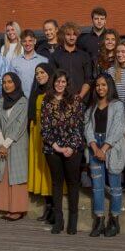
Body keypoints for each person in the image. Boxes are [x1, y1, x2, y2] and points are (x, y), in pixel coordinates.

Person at [41, 70, 85, 235]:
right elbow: (44, 128)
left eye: (63, 82)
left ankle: (73, 221)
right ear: (53, 83)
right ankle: (58, 221)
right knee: (57, 183)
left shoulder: (75, 100)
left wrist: (71, 147)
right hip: (52, 148)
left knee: (73, 183)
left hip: (73, 148)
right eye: (57, 81)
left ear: (67, 84)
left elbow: (80, 125)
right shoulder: (47, 100)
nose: (60, 85)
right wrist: (56, 146)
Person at [85, 73, 125, 237]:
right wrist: (95, 147)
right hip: (95, 144)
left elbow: (118, 128)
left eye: (103, 85)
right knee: (97, 187)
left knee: (115, 186)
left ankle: (115, 220)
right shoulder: (92, 106)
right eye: (97, 85)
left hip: (111, 146)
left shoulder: (117, 105)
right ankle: (99, 219)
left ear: (109, 86)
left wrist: (105, 148)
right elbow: (87, 127)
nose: (100, 88)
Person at [0, 72, 30, 221]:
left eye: (10, 82)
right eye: (4, 82)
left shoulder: (23, 101)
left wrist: (6, 144)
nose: (7, 85)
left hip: (17, 143)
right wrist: (2, 143)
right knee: (5, 174)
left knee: (17, 176)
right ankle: (7, 207)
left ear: (16, 83)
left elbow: (20, 125)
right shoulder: (1, 101)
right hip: (3, 143)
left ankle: (18, 209)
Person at [27, 63, 56, 223]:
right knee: (41, 169)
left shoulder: (54, 92)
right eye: (37, 73)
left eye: (42, 72)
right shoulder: (36, 91)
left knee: (50, 169)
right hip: (36, 133)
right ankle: (47, 206)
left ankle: (53, 207)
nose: (39, 75)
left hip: (49, 134)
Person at [49, 22, 94, 99]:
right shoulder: (55, 56)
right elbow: (53, 79)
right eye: (68, 34)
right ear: (63, 36)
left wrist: (80, 96)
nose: (72, 37)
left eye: (74, 34)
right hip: (61, 100)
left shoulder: (84, 56)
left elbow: (88, 79)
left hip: (81, 100)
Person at [10, 29, 48, 96]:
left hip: (39, 99)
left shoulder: (44, 61)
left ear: (35, 41)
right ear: (21, 42)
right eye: (24, 41)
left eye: (30, 41)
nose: (27, 44)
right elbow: (12, 83)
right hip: (21, 101)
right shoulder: (14, 62)